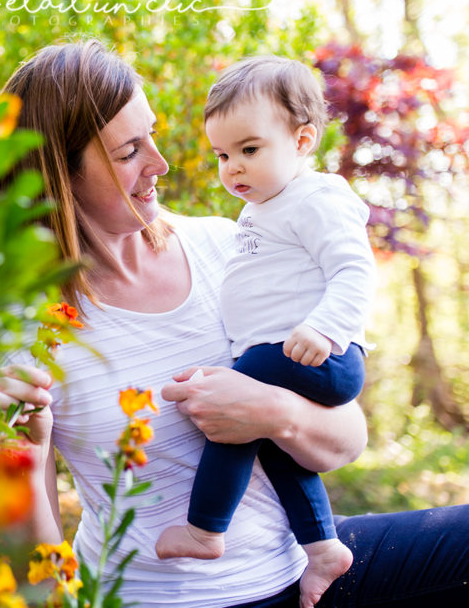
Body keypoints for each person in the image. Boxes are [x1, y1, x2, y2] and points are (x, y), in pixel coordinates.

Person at [0, 39, 469, 607]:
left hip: (306, 568)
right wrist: (25, 455)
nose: (160, 165)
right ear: (57, 176)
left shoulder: (232, 246)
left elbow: (346, 439)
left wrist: (272, 412)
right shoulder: (22, 330)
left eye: (153, 135)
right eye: (129, 151)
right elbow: (31, 575)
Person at [154, 57, 375, 608]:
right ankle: (323, 547)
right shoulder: (264, 208)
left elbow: (355, 270)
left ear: (302, 140)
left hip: (317, 352)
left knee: (233, 403)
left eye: (249, 150)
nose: (233, 168)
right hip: (286, 352)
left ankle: (206, 528)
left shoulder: (316, 198)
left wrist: (324, 327)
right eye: (224, 155)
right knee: (273, 443)